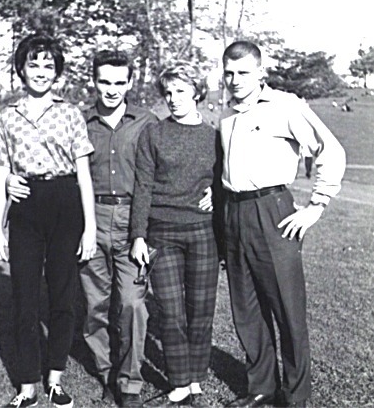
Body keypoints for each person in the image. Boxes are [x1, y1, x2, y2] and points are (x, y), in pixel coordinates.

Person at [6, 50, 159, 408]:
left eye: (120, 82)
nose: (112, 89)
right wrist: (12, 177)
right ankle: (108, 375)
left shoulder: (146, 122)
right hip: (86, 218)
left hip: (130, 220)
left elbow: (158, 175)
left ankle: (131, 383)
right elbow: (35, 156)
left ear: (130, 83)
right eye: (104, 81)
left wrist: (207, 191)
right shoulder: (77, 119)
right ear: (93, 80)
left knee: (133, 305)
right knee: (93, 306)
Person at [219, 40, 346, 408]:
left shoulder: (285, 106)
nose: (235, 79)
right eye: (229, 72)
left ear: (261, 71)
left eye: (243, 72)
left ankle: (296, 396)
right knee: (246, 309)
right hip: (234, 213)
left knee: (287, 310)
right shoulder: (226, 114)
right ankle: (261, 388)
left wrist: (316, 205)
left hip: (272, 211)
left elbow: (330, 149)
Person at [0, 33, 97, 408]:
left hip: (65, 203)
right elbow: (3, 173)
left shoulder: (70, 114)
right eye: (33, 64)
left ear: (57, 72)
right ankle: (27, 386)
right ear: (21, 68)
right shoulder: (7, 117)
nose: (40, 72)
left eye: (48, 65)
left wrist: (91, 228)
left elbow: (84, 175)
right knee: (24, 299)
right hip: (25, 209)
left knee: (62, 295)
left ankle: (55, 379)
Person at [130, 61, 221, 407]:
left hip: (203, 233)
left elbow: (225, 178)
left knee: (201, 310)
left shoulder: (214, 136)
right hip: (161, 233)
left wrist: (218, 193)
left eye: (181, 91)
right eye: (168, 92)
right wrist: (139, 235)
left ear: (197, 92)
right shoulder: (153, 133)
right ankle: (179, 381)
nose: (173, 98)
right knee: (171, 312)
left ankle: (196, 377)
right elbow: (143, 186)